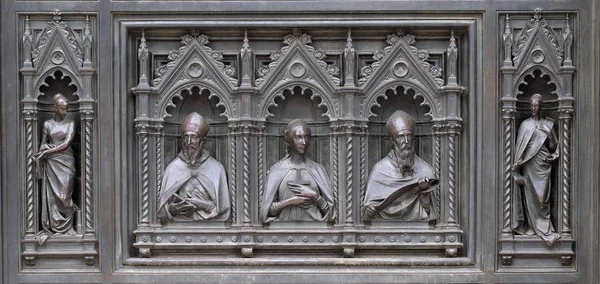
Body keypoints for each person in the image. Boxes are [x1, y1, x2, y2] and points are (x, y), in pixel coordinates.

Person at [363, 110, 437, 221]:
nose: (406, 141)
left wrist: (424, 192)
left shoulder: (425, 170)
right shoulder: (380, 170)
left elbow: (432, 213)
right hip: (383, 229)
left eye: (409, 136)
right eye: (401, 136)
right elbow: (367, 214)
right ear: (392, 141)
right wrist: (375, 208)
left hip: (418, 230)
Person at [157, 112, 230, 221]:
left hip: (212, 228)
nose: (189, 142)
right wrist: (170, 210)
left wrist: (204, 205)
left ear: (202, 141)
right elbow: (162, 211)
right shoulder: (173, 168)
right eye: (186, 137)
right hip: (178, 228)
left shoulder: (216, 168)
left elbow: (224, 210)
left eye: (194, 137)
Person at [260, 119, 335, 223]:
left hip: (316, 230)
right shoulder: (277, 170)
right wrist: (289, 202)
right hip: (282, 232)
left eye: (306, 137)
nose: (304, 142)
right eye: (298, 137)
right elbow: (266, 212)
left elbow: (331, 213)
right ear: (289, 140)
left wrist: (316, 196)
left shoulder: (318, 170)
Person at [512, 93, 561, 246]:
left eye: (536, 106)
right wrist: (516, 168)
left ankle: (546, 229)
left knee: (542, 199)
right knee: (530, 197)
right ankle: (532, 226)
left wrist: (549, 135)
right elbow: (519, 148)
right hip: (528, 165)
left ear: (540, 107)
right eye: (532, 106)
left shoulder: (548, 124)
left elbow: (553, 146)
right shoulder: (525, 125)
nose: (534, 108)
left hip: (543, 165)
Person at [33, 93, 77, 244]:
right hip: (51, 164)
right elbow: (42, 144)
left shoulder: (70, 123)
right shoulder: (47, 124)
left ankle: (68, 226)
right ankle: (55, 226)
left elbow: (66, 143)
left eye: (67, 109)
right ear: (55, 107)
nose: (65, 112)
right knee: (53, 197)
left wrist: (47, 151)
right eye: (63, 108)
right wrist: (42, 153)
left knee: (65, 196)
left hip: (66, 162)